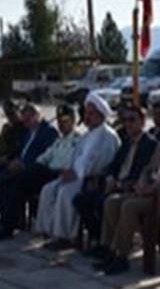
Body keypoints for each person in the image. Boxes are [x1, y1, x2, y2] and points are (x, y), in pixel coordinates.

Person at [97, 108, 160, 275]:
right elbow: (148, 169)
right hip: (149, 193)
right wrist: (142, 183)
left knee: (129, 206)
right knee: (112, 201)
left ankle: (122, 256)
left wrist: (154, 188)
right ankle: (109, 250)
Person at [33, 93, 120, 247]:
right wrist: (69, 171)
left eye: (91, 113)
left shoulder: (108, 136)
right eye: (86, 113)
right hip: (74, 175)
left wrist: (77, 174)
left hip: (90, 179)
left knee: (65, 193)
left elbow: (101, 164)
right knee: (48, 190)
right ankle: (48, 231)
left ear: (101, 114)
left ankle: (65, 237)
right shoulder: (88, 135)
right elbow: (76, 158)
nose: (87, 117)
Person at [79, 106, 158, 254]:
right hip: (115, 185)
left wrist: (120, 184)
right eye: (125, 120)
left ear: (142, 122)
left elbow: (144, 173)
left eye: (132, 120)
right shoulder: (126, 142)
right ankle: (102, 242)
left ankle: (115, 248)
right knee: (81, 200)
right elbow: (113, 166)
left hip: (130, 188)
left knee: (106, 202)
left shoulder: (150, 144)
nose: (128, 124)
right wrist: (109, 178)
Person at [0, 103, 61, 240]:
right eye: (24, 120)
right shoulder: (29, 132)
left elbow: (46, 157)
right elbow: (22, 151)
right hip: (23, 168)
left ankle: (9, 227)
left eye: (28, 120)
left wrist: (24, 165)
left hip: (38, 172)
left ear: (37, 116)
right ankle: (6, 218)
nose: (26, 124)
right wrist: (15, 161)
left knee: (13, 182)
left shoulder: (48, 132)